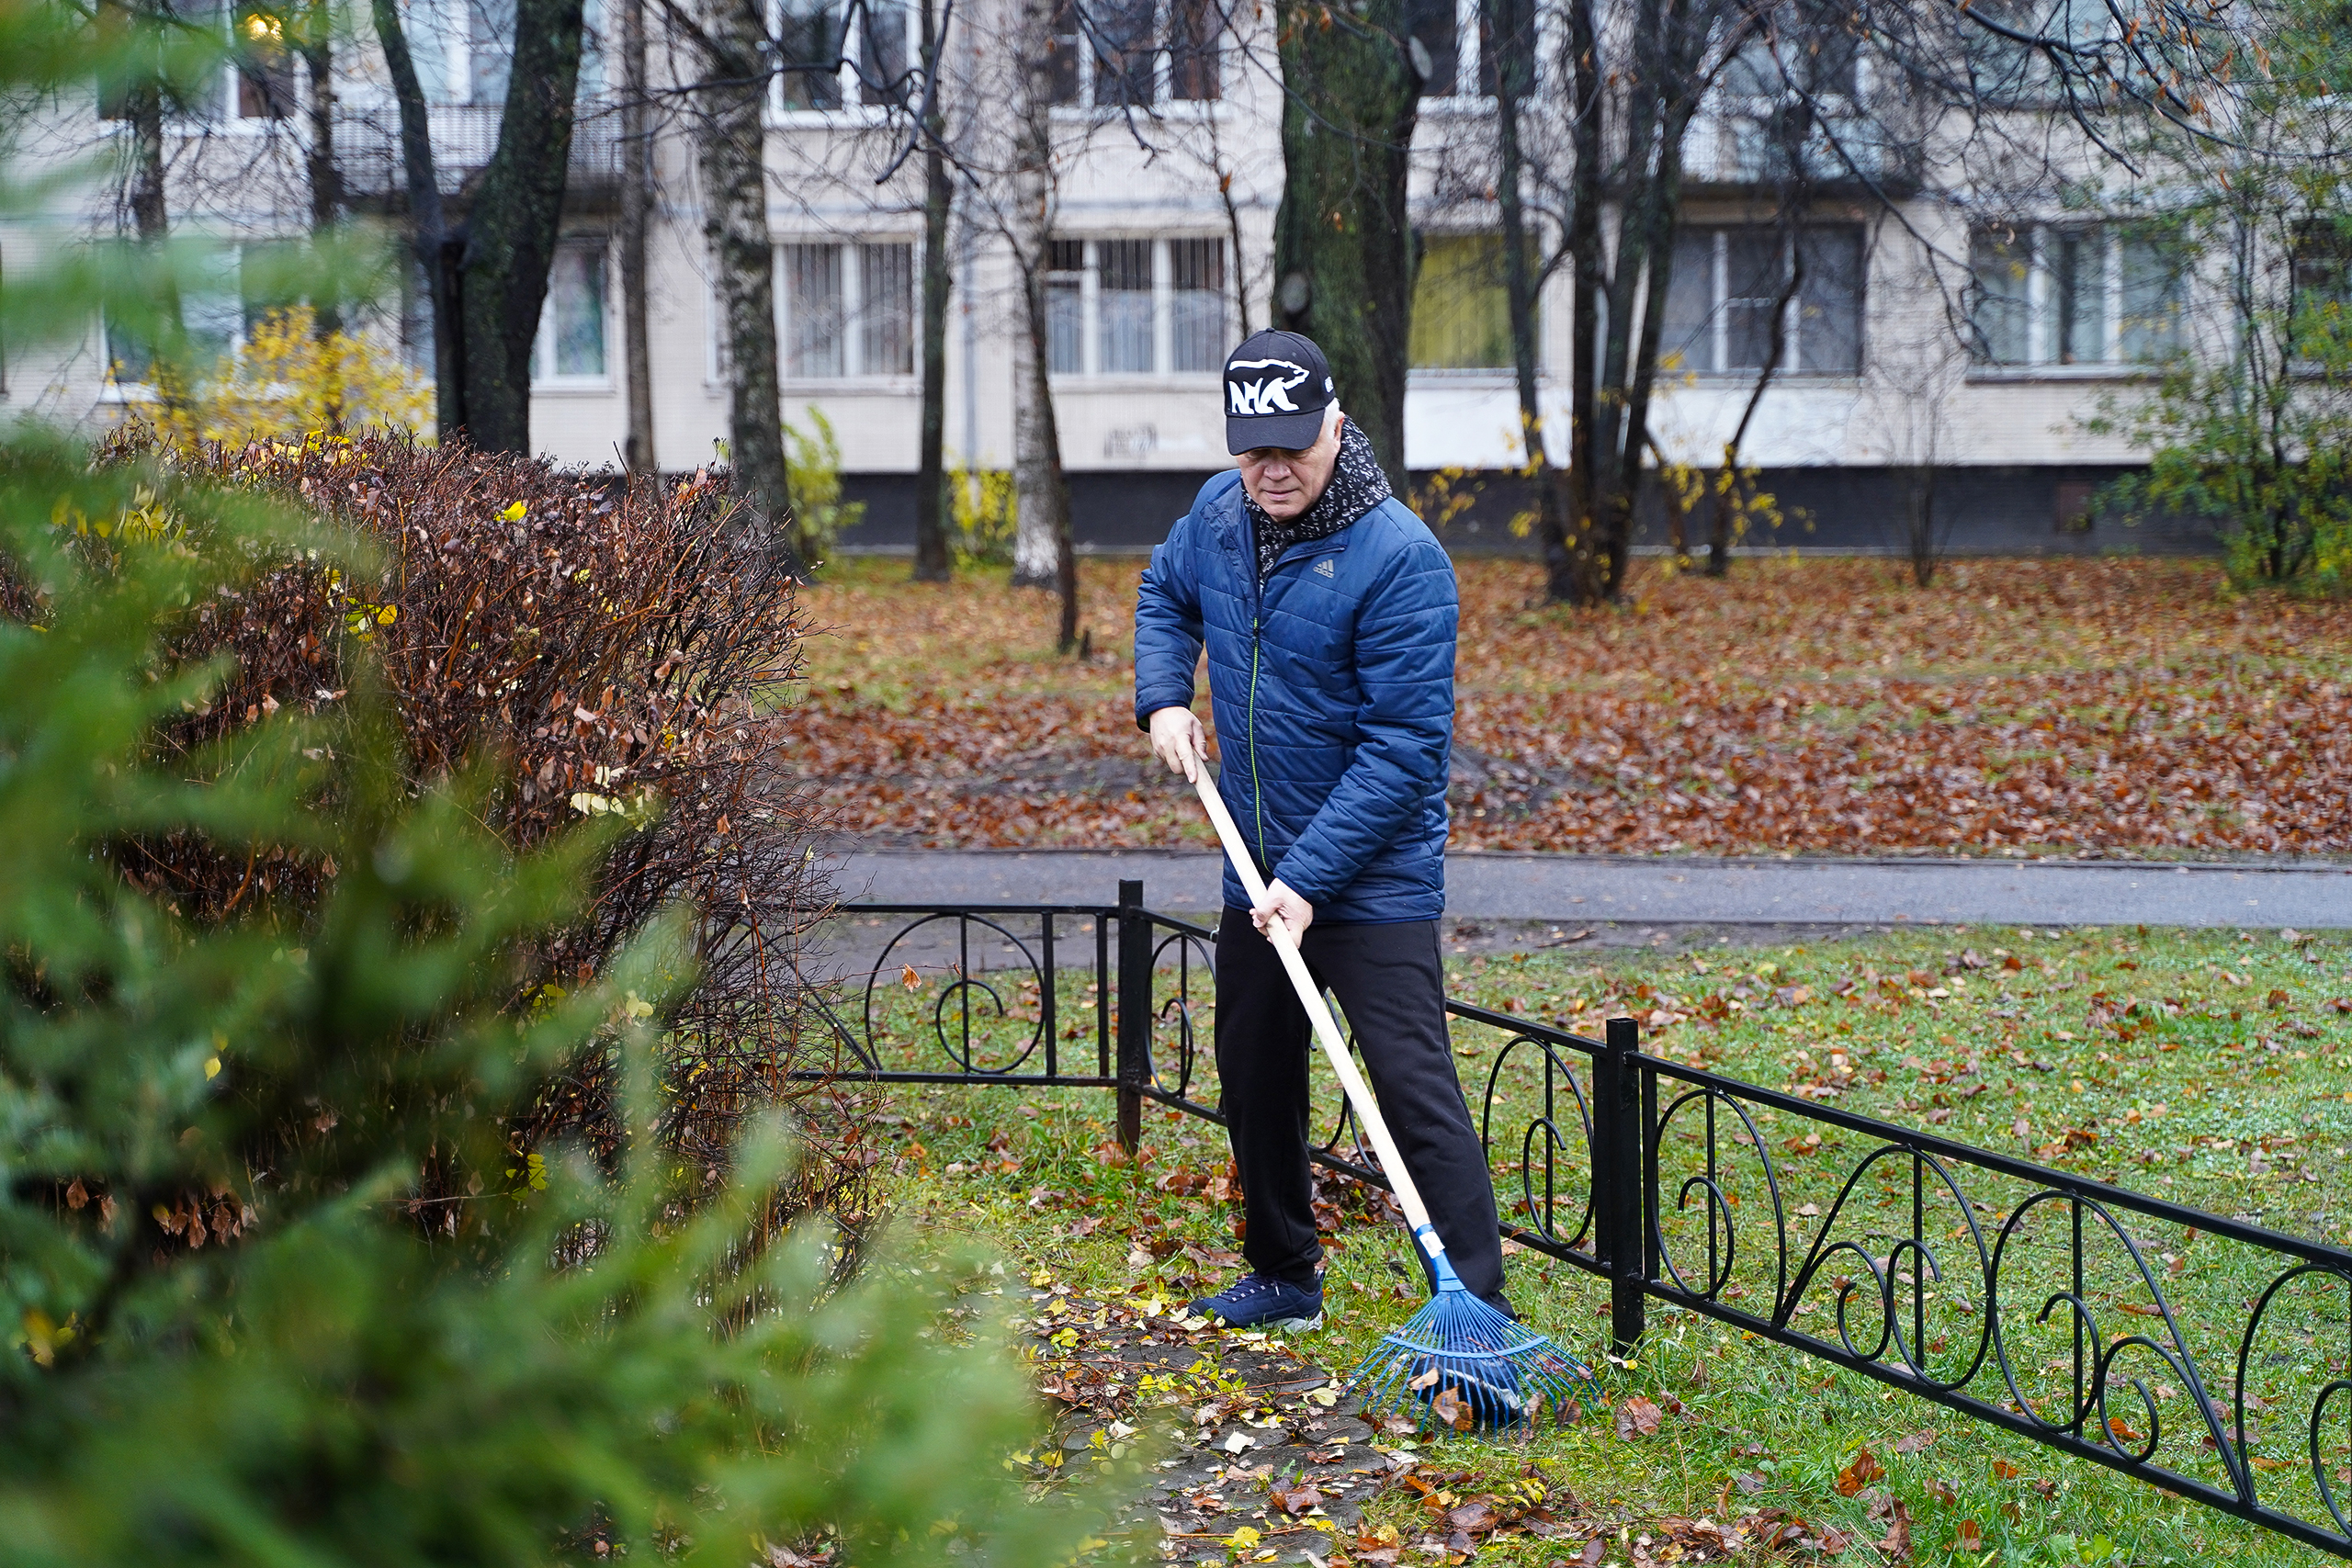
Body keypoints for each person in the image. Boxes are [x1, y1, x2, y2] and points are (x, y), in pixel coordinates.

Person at [1132, 329, 1509, 1334]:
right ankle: (1283, 1270)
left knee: (1411, 1089)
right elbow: (1164, 596)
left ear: (1336, 426)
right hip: (1251, 860)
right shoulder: (1219, 515)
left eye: (1293, 444)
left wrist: (1307, 880)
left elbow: (1403, 752)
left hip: (1368, 880)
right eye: (1254, 447)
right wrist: (1165, 699)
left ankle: (1477, 1308)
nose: (1272, 468)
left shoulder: (1400, 559)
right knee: (1254, 1075)